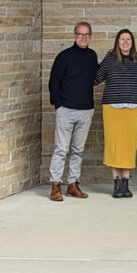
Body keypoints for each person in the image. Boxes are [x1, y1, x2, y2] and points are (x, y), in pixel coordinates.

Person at [46, 21, 99, 201]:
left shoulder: (92, 56)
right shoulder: (64, 56)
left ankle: (72, 185)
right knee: (61, 149)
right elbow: (54, 82)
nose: (84, 37)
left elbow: (96, 76)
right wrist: (58, 105)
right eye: (80, 34)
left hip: (86, 110)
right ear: (75, 36)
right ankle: (55, 186)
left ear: (90, 37)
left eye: (87, 35)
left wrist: (110, 59)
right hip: (66, 109)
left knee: (78, 149)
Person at [94, 28, 137, 197]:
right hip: (112, 108)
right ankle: (116, 183)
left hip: (133, 108)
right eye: (122, 39)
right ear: (117, 42)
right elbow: (96, 78)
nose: (125, 43)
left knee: (129, 145)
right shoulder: (110, 59)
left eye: (128, 40)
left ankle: (126, 182)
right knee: (114, 144)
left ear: (132, 42)